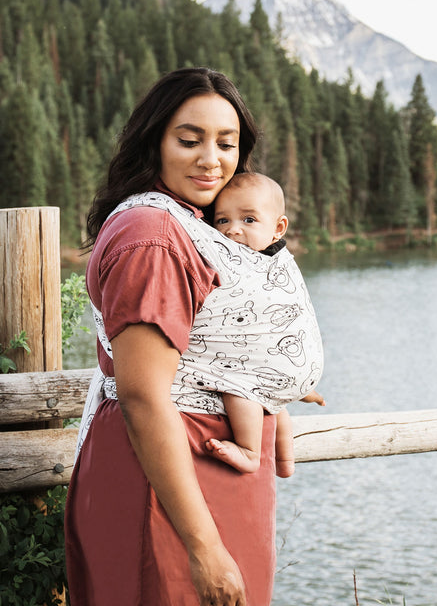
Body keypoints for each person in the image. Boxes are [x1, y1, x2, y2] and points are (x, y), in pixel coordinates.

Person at [66, 68, 292, 606]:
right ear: (155, 141)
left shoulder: (188, 222)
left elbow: (215, 343)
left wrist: (270, 393)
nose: (210, 158)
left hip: (192, 470)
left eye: (227, 143)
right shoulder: (155, 236)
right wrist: (205, 547)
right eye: (189, 140)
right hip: (175, 482)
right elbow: (145, 393)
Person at [204, 172, 325, 478]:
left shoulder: (271, 265)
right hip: (281, 369)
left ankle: (250, 451)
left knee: (240, 389)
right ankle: (284, 462)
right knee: (274, 407)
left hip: (270, 368)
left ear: (278, 228)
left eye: (248, 220)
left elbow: (293, 314)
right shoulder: (267, 258)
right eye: (222, 221)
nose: (233, 230)